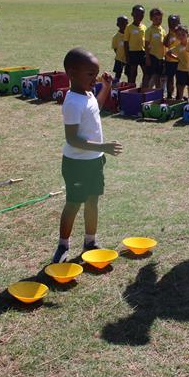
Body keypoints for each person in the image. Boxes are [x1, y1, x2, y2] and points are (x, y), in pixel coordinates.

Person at [51, 47, 123, 264]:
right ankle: (63, 245)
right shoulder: (72, 102)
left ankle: (90, 242)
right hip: (77, 164)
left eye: (96, 73)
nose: (95, 78)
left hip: (94, 161)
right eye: (90, 74)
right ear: (72, 74)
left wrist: (106, 87)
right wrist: (104, 146)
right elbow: (72, 139)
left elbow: (97, 106)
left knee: (93, 201)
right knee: (74, 203)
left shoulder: (88, 93)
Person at [166, 25, 189, 100]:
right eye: (178, 35)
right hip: (181, 70)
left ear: (187, 35)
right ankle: (180, 102)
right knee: (180, 87)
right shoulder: (178, 47)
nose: (181, 37)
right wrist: (177, 58)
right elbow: (168, 53)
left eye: (183, 34)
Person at [123, 5, 147, 88]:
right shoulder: (129, 28)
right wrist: (127, 56)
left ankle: (144, 88)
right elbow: (126, 43)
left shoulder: (144, 27)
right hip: (132, 53)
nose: (139, 16)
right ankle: (131, 89)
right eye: (137, 14)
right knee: (133, 73)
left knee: (146, 72)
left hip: (142, 52)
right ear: (132, 14)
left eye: (141, 14)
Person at [144, 8, 166, 91]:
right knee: (148, 76)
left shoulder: (162, 30)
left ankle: (158, 93)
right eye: (156, 19)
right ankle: (145, 91)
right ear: (151, 19)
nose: (158, 21)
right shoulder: (149, 30)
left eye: (160, 19)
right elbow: (146, 45)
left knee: (158, 77)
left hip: (160, 58)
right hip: (152, 56)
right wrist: (147, 57)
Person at [162, 14, 181, 99]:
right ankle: (169, 95)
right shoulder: (169, 35)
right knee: (170, 79)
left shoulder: (181, 33)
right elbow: (165, 44)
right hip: (170, 61)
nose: (173, 25)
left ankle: (178, 96)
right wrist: (169, 33)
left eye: (175, 23)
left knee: (179, 80)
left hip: (180, 61)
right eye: (171, 23)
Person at [111, 15, 129, 84]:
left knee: (129, 73)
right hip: (119, 59)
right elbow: (115, 48)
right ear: (118, 25)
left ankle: (129, 85)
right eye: (123, 23)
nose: (125, 25)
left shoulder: (129, 35)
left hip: (128, 59)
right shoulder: (115, 37)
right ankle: (115, 85)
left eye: (126, 23)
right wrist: (120, 55)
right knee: (118, 73)